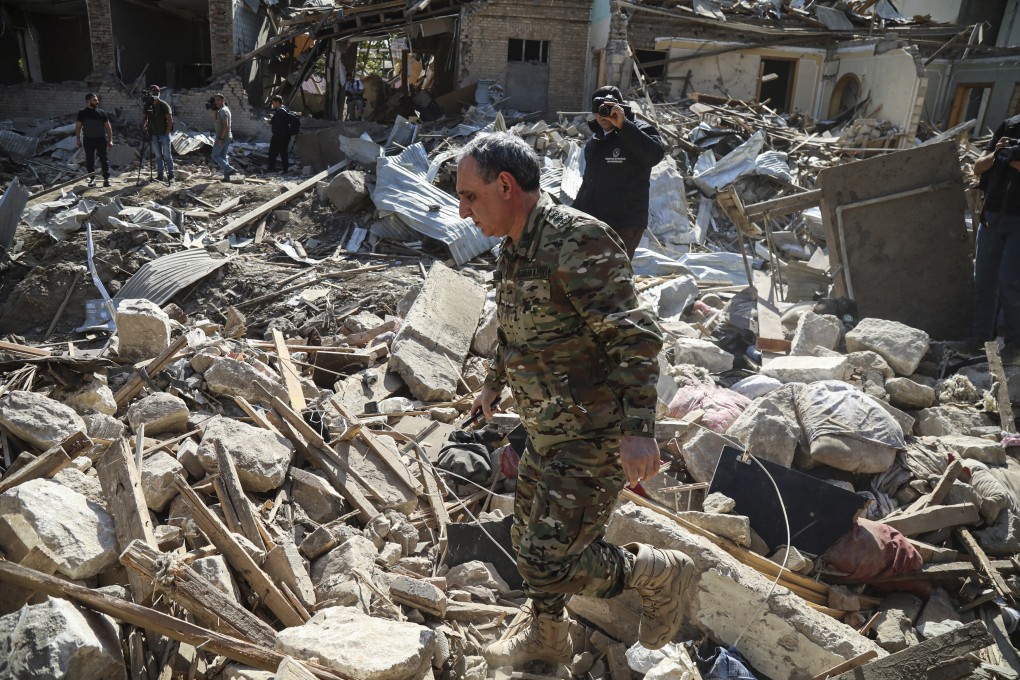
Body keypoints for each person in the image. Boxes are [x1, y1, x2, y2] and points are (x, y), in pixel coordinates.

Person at [457, 132, 694, 668]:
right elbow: (515, 328)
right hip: (548, 427)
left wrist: (639, 431)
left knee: (549, 562)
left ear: (507, 185)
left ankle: (658, 572)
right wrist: (494, 381)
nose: (463, 209)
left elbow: (633, 337)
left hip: (594, 433)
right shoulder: (515, 248)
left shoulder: (578, 241)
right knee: (526, 537)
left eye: (470, 196)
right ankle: (546, 637)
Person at [572, 86, 665, 259]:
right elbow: (589, 183)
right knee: (593, 278)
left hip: (624, 224)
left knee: (614, 279)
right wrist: (572, 213)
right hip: (595, 224)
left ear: (621, 107)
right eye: (599, 109)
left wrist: (624, 125)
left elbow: (655, 155)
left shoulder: (638, 130)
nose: (603, 114)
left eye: (609, 108)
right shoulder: (596, 140)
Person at [972, 113, 1020, 365]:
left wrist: (1013, 160)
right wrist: (997, 155)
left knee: (1010, 281)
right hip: (992, 215)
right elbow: (977, 167)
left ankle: (1015, 345)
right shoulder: (1010, 125)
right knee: (984, 280)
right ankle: (979, 340)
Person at [75, 92, 113, 188]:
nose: (97, 102)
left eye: (97, 100)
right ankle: (92, 179)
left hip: (101, 139)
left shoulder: (102, 113)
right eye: (94, 100)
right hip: (88, 140)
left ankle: (106, 179)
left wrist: (110, 140)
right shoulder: (82, 113)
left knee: (104, 159)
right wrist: (78, 139)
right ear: (88, 101)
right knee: (90, 160)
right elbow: (78, 127)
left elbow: (108, 127)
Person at [142, 85, 175, 183]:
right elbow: (144, 118)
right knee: (158, 156)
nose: (156, 95)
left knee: (167, 156)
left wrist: (166, 133)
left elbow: (170, 120)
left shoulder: (163, 105)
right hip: (153, 134)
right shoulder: (148, 105)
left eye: (157, 93)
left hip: (164, 134)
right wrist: (144, 128)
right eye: (154, 93)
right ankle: (160, 175)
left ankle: (171, 176)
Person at [211, 93, 237, 181]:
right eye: (215, 100)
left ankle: (229, 169)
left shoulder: (223, 111)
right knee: (223, 156)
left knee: (214, 156)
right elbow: (216, 122)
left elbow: (226, 125)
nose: (216, 102)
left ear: (223, 100)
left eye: (218, 100)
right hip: (226, 136)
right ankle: (227, 177)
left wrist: (220, 138)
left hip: (223, 137)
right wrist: (215, 112)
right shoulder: (221, 110)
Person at [267, 95, 294, 174]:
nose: (273, 104)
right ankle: (285, 169)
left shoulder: (280, 111)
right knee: (283, 152)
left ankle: (271, 168)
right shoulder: (286, 109)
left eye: (273, 103)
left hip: (278, 136)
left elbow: (277, 124)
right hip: (286, 136)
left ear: (277, 102)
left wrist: (270, 121)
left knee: (272, 152)